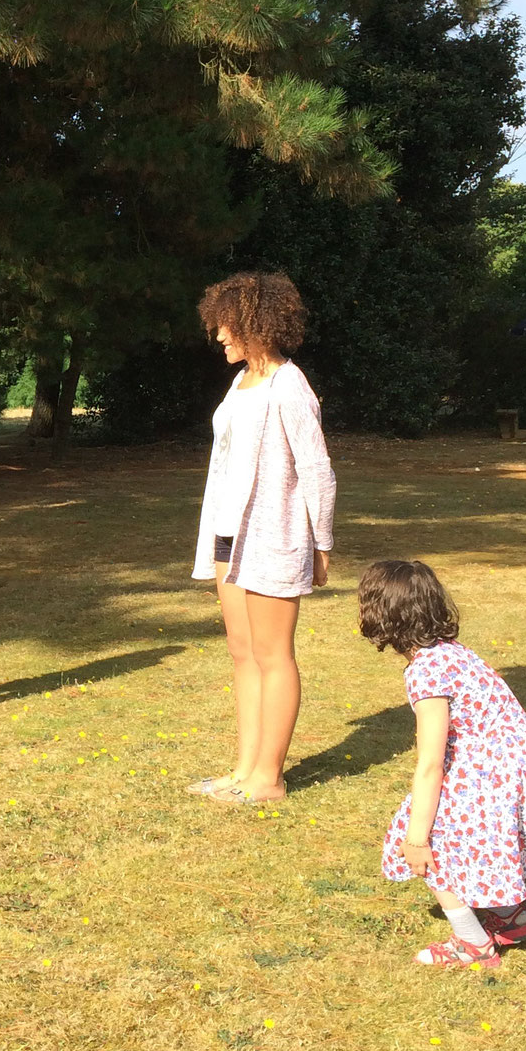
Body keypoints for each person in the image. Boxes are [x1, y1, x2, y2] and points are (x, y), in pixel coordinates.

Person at [189, 271, 334, 804]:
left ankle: (268, 779)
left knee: (274, 655)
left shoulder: (289, 384)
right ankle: (244, 769)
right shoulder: (240, 381)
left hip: (273, 534)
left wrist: (322, 544)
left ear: (256, 324)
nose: (219, 337)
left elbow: (317, 468)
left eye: (226, 327)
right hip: (230, 533)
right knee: (243, 652)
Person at [360, 559, 526, 969]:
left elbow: (430, 763)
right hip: (520, 760)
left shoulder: (426, 672)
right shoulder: (453, 651)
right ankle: (512, 918)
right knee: (480, 839)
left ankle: (472, 942)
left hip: (492, 770)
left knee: (430, 841)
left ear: (378, 614)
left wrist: (417, 839)